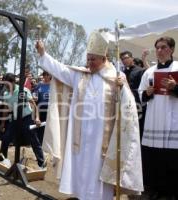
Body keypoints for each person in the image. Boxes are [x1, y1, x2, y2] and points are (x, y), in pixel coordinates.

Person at [35, 31, 143, 200]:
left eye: (93, 59)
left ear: (103, 57)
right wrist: (43, 53)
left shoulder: (116, 77)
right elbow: (60, 69)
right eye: (88, 58)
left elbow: (128, 106)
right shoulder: (80, 75)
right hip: (81, 134)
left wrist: (123, 90)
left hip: (102, 139)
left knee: (98, 172)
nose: (89, 63)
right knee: (81, 169)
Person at [138, 36, 178, 199]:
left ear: (172, 50)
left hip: (173, 120)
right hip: (154, 121)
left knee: (172, 160)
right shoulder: (149, 72)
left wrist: (175, 87)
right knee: (154, 159)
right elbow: (140, 93)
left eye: (163, 47)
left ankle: (172, 192)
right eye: (157, 48)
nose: (159, 51)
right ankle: (155, 190)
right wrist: (146, 93)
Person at [0, 73, 45, 168]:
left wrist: (37, 118)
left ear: (13, 82)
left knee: (33, 138)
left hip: (26, 117)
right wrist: (2, 123)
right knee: (6, 138)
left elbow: (33, 105)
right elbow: (6, 109)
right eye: (5, 84)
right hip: (14, 119)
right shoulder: (6, 94)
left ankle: (41, 162)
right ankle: (3, 159)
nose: (6, 86)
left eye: (8, 84)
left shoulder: (23, 90)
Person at [120, 51, 146, 138]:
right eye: (122, 59)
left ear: (132, 58)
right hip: (125, 103)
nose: (124, 60)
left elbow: (142, 88)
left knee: (138, 125)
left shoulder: (140, 71)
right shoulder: (122, 73)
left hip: (138, 103)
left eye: (126, 58)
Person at [33, 71, 51, 144]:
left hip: (51, 110)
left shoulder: (54, 85)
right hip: (40, 109)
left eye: (47, 74)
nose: (45, 76)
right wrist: (34, 96)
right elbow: (34, 94)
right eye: (44, 74)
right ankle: (40, 143)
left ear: (50, 75)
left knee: (50, 127)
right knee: (40, 126)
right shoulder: (39, 85)